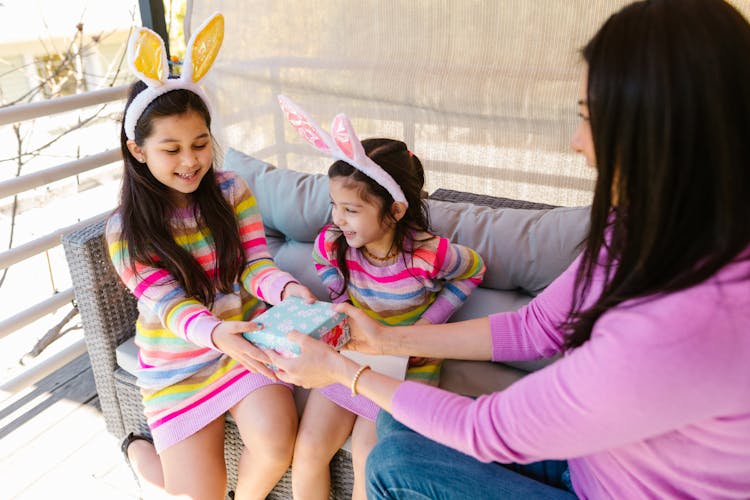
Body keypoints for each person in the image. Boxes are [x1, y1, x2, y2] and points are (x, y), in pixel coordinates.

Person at [264, 0, 750, 497]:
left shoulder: (693, 319)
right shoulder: (641, 227)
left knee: (392, 463)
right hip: (591, 458)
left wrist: (344, 371)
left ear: (655, 129)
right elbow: (537, 325)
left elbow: (488, 429)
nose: (576, 143)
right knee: (397, 425)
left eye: (587, 117)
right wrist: (388, 340)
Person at [108, 14, 315, 499]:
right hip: (178, 361)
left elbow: (254, 266)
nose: (190, 161)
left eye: (200, 144)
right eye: (171, 149)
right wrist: (216, 332)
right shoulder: (125, 229)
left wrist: (286, 289)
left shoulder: (230, 190)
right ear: (138, 151)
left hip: (241, 345)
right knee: (194, 492)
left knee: (274, 444)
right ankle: (138, 449)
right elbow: (170, 305)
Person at [277, 97, 486, 499]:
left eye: (351, 209)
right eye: (334, 205)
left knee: (367, 460)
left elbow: (474, 269)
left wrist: (429, 324)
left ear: (393, 210)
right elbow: (322, 258)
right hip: (350, 357)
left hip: (405, 372)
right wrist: (342, 297)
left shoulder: (427, 253)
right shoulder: (336, 240)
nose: (338, 218)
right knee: (308, 451)